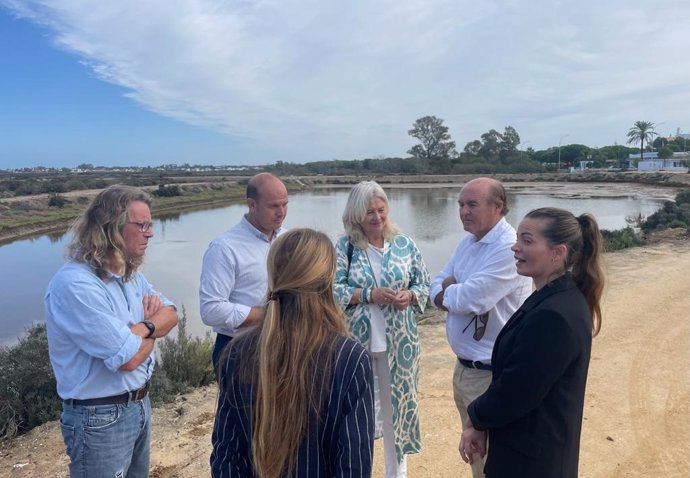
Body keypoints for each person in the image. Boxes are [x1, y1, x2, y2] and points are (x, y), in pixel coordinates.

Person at [211, 228, 375, 477]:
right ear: (327, 281)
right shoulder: (351, 359)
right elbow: (354, 466)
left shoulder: (237, 355)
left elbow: (226, 459)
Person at [460, 207, 605, 478]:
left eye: (527, 241)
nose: (515, 248)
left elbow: (517, 390)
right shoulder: (555, 297)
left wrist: (475, 419)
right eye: (517, 238)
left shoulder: (553, 314)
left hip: (532, 462)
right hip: (532, 453)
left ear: (558, 252)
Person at [45, 185, 179, 478]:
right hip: (99, 418)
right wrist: (153, 328)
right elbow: (128, 359)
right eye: (141, 225)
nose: (150, 233)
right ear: (111, 228)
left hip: (138, 405)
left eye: (151, 225)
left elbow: (171, 313)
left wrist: (143, 328)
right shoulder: (76, 285)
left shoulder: (130, 275)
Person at [429, 177, 532, 478]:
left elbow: (474, 298)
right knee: (477, 454)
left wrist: (448, 291)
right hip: (465, 370)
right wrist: (449, 290)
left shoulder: (506, 248)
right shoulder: (469, 243)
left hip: (489, 374)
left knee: (493, 460)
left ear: (497, 206)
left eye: (472, 204)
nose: (463, 211)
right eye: (460, 205)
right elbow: (435, 284)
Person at [334, 181, 430, 478]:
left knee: (396, 414)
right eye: (369, 212)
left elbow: (423, 282)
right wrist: (368, 295)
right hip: (358, 346)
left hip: (400, 344)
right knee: (358, 418)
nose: (377, 217)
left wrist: (410, 296)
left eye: (381, 210)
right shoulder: (345, 247)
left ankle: (396, 474)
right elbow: (332, 292)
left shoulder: (405, 244)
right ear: (355, 215)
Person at [199, 172, 288, 372]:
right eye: (274, 206)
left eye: (285, 204)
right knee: (243, 405)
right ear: (252, 205)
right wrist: (269, 315)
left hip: (283, 344)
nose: (281, 212)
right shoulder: (224, 248)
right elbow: (210, 310)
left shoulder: (288, 239)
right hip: (239, 349)